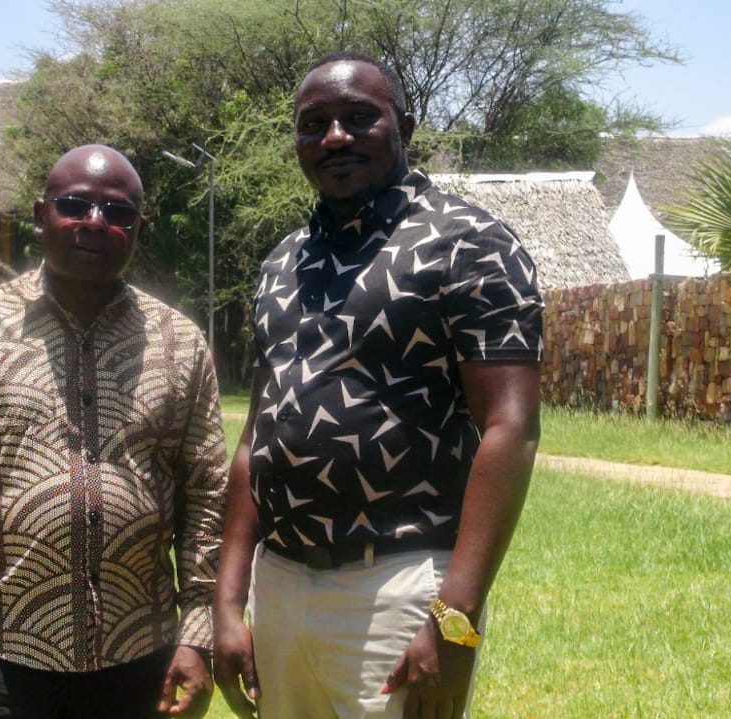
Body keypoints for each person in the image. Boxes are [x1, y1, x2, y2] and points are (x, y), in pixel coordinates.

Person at [212, 51, 544, 719]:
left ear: (405, 126)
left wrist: (455, 616)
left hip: (400, 586)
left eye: (359, 117)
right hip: (281, 585)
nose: (335, 137)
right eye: (314, 124)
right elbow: (256, 438)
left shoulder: (468, 243)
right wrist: (227, 600)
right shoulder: (283, 264)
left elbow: (511, 427)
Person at [0, 144, 227, 719]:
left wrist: (198, 632)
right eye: (75, 205)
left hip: (140, 654)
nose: (95, 223)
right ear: (40, 215)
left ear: (139, 227)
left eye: (117, 212)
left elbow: (207, 497)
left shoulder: (179, 343)